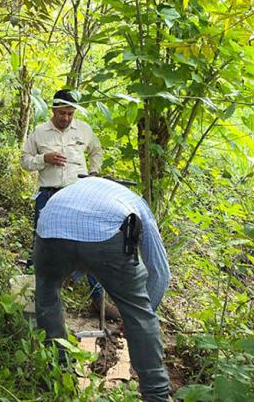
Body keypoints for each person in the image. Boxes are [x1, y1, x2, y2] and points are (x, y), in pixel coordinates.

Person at [34, 176, 171, 401]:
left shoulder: (71, 190)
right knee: (139, 314)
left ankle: (56, 377)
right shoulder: (134, 202)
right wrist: (140, 317)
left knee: (47, 296)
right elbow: (160, 273)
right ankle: (156, 395)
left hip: (51, 229)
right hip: (105, 236)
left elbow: (74, 249)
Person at [20, 89, 105, 313]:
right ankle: (36, 298)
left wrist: (94, 173)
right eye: (62, 114)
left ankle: (97, 299)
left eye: (70, 114)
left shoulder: (84, 130)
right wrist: (43, 159)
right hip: (49, 195)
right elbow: (25, 161)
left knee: (89, 242)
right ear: (54, 110)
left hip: (79, 194)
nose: (66, 118)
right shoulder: (39, 133)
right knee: (42, 244)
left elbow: (97, 151)